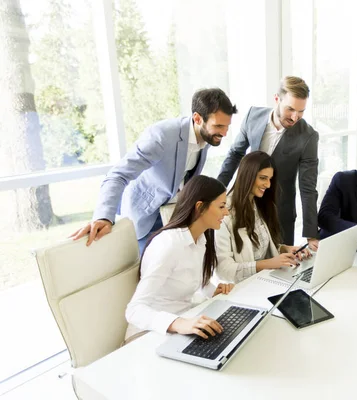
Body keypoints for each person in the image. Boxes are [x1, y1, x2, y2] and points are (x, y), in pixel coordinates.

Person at [70, 89, 237, 252]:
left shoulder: (207, 137)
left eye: (227, 126)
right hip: (144, 216)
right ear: (197, 118)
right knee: (147, 272)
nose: (224, 133)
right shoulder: (161, 136)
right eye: (219, 126)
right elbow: (118, 174)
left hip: (172, 216)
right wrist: (103, 216)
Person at [124, 175, 234, 344]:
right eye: (221, 206)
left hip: (184, 323)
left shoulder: (200, 239)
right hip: (149, 333)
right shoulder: (168, 245)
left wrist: (212, 291)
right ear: (200, 207)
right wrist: (178, 323)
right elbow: (134, 311)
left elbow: (194, 281)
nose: (226, 213)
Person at [217, 76, 319, 250]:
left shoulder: (308, 136)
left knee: (282, 264)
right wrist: (216, 191)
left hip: (279, 210)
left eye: (301, 111)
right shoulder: (252, 116)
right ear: (277, 99)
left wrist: (311, 233)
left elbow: (307, 186)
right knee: (245, 259)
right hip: (245, 203)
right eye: (290, 109)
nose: (295, 117)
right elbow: (235, 154)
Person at [216, 151, 311, 283]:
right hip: (243, 288)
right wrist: (268, 264)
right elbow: (223, 270)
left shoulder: (257, 204)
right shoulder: (224, 213)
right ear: (247, 176)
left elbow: (258, 250)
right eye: (263, 178)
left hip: (265, 280)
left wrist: (283, 249)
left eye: (270, 179)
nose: (268, 185)